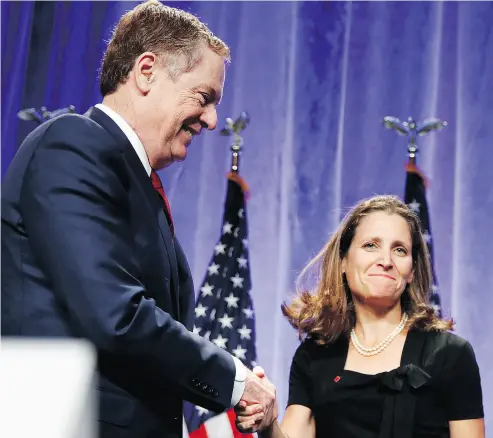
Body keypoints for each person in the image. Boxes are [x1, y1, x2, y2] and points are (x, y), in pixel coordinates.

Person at [1, 1, 276, 437]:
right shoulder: (71, 145)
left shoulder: (133, 178)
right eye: (204, 98)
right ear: (146, 71)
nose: (211, 119)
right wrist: (235, 381)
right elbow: (114, 313)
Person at [235, 195, 485, 438]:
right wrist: (267, 426)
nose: (385, 260)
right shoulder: (314, 356)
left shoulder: (450, 354)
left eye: (399, 250)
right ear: (343, 261)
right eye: (370, 245)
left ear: (411, 271)